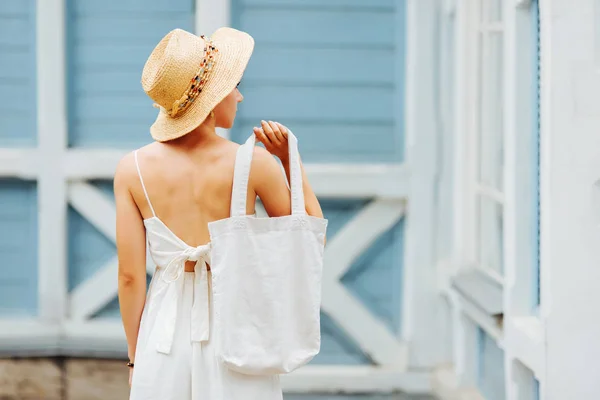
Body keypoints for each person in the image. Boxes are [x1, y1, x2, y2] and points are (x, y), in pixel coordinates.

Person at [114, 27, 324, 399]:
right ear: (212, 99)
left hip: (163, 335)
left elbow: (130, 277)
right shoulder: (255, 163)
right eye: (234, 85)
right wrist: (292, 164)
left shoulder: (132, 169)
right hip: (238, 327)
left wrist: (135, 358)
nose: (240, 96)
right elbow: (306, 240)